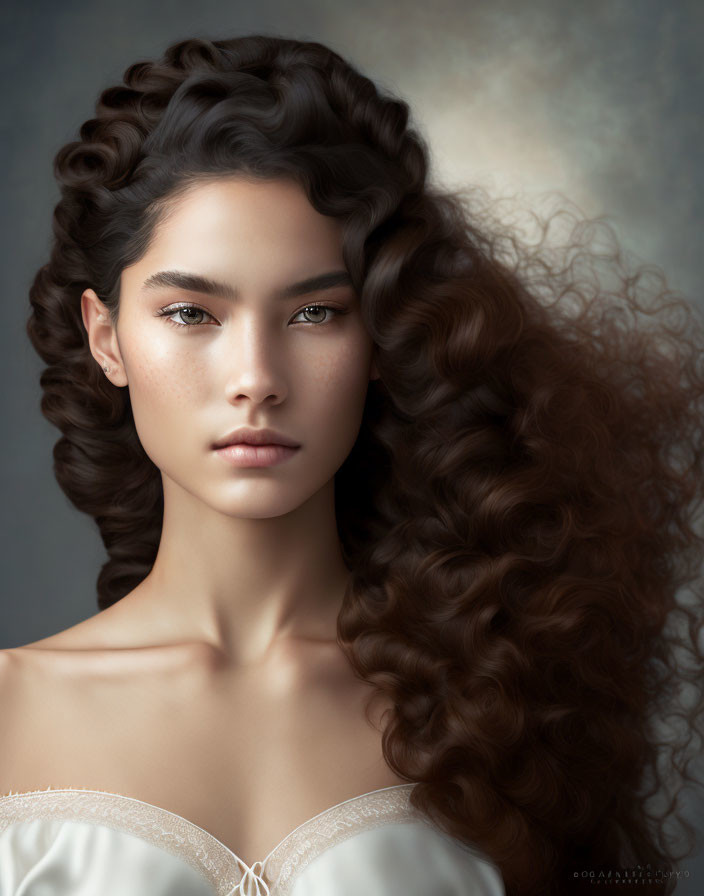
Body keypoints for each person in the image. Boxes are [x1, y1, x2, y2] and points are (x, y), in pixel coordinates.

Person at [0, 33, 702, 896]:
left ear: (380, 338)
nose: (255, 379)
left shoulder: (506, 707)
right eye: (191, 313)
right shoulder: (8, 713)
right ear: (106, 337)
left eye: (314, 315)